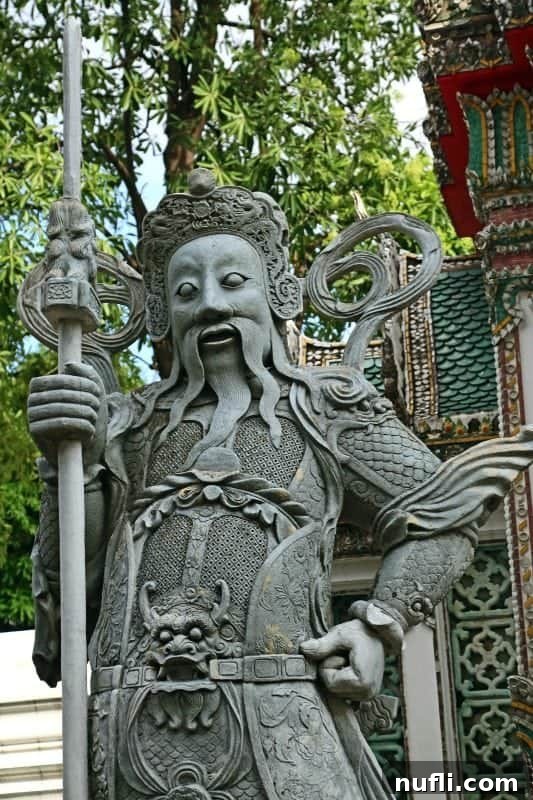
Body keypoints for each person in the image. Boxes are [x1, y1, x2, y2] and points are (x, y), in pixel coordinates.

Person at [27, 170, 533, 800]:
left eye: (234, 283)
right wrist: (68, 461)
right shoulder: (128, 427)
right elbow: (75, 587)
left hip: (282, 729)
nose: (211, 304)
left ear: (277, 295)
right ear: (162, 313)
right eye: (186, 291)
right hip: (128, 735)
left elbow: (443, 514)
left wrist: (378, 625)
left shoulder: (326, 409)